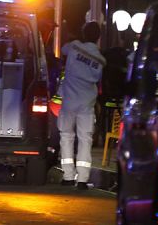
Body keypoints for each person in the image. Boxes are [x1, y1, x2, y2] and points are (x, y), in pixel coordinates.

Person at [58, 21, 106, 190]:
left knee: (66, 137)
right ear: (99, 37)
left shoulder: (75, 47)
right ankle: (83, 180)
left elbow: (62, 49)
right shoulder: (100, 59)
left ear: (84, 34)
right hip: (87, 104)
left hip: (69, 101)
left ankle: (68, 176)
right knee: (85, 139)